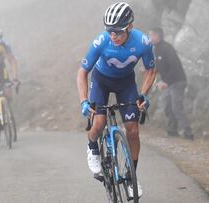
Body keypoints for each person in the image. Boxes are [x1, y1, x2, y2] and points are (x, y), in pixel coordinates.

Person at [77, 2, 156, 198]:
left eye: (118, 32)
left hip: (126, 83)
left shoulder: (143, 42)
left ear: (129, 26)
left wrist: (144, 94)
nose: (113, 35)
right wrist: (84, 101)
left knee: (133, 129)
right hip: (101, 81)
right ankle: (93, 147)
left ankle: (131, 176)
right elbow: (82, 72)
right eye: (109, 31)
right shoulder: (101, 42)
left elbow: (151, 70)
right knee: (99, 122)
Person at [149, 27, 194, 140]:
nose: (149, 38)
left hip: (178, 81)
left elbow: (174, 66)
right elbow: (160, 67)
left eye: (151, 35)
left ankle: (188, 132)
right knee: (167, 106)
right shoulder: (156, 49)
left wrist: (165, 82)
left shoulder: (167, 48)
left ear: (157, 36)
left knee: (176, 107)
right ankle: (172, 130)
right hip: (168, 83)